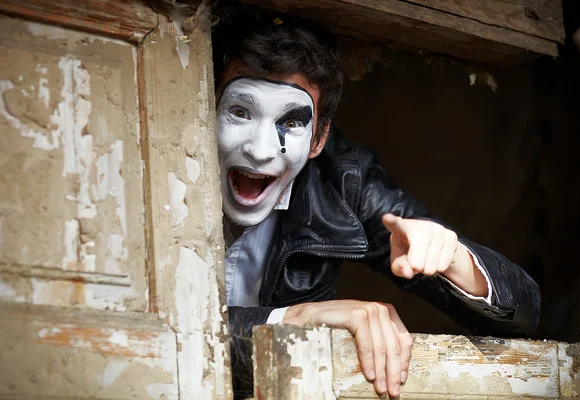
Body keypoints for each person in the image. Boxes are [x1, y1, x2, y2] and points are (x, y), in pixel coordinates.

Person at [211, 12, 541, 400]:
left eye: (292, 123)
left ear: (319, 139)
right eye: (239, 112)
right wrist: (292, 319)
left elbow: (524, 314)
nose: (260, 150)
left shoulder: (343, 180)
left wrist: (454, 259)